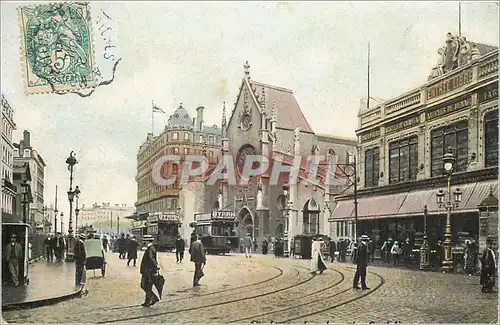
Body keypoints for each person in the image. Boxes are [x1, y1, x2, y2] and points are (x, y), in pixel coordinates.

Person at [140, 237, 160, 307]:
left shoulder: (150, 249)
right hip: (150, 270)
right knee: (148, 286)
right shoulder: (152, 248)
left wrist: (156, 265)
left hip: (148, 271)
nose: (143, 243)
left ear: (147, 241)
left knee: (144, 285)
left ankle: (153, 298)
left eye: (144, 241)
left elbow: (151, 258)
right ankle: (147, 301)